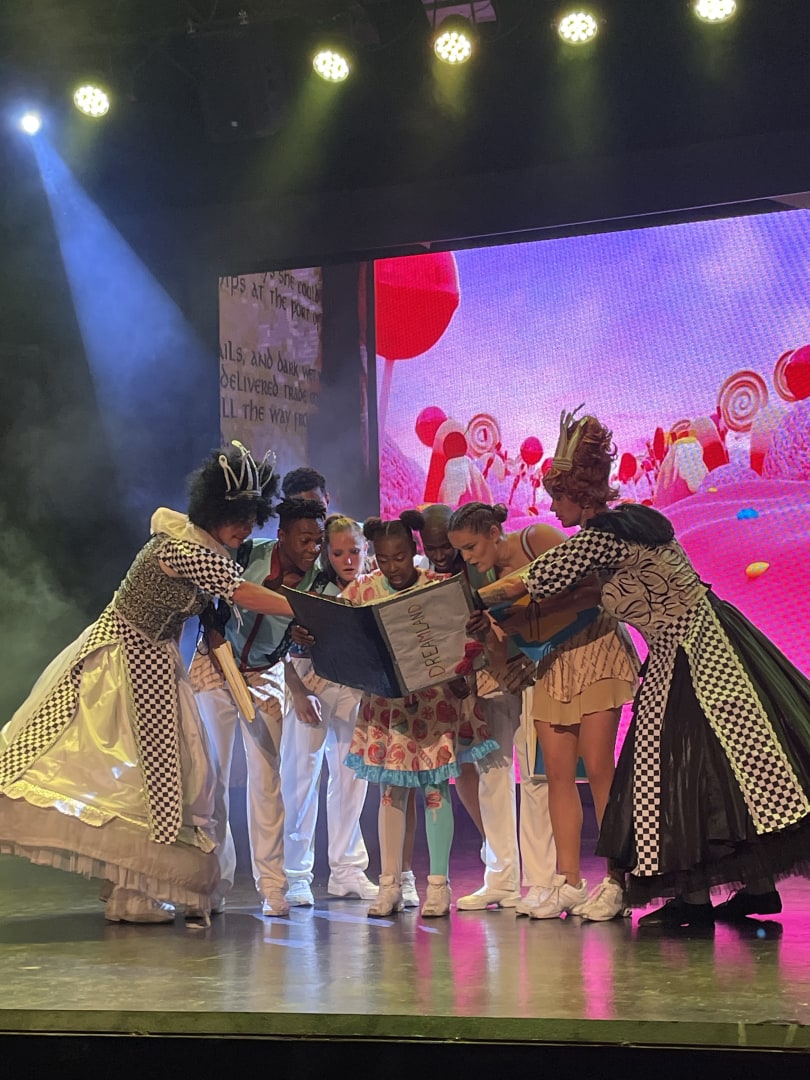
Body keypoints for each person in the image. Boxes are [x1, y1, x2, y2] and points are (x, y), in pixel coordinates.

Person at [475, 408, 810, 928]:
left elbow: (529, 580)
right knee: (712, 765)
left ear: (578, 496)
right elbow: (576, 594)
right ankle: (749, 887)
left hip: (695, 652)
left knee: (679, 767)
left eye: (558, 497)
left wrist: (470, 600)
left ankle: (697, 897)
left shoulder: (601, 537)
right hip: (698, 643)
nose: (553, 507)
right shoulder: (628, 525)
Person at [0, 442, 295, 925]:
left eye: (251, 518)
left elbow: (207, 611)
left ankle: (132, 891)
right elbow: (242, 592)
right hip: (126, 661)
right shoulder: (184, 548)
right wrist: (307, 610)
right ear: (214, 511)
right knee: (147, 778)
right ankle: (135, 894)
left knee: (168, 778)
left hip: (154, 661)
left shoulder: (199, 547)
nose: (246, 528)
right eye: (237, 517)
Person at [298, 512, 498, 918]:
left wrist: (466, 666)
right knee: (391, 791)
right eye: (385, 559)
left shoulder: (438, 588)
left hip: (434, 704)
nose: (393, 567)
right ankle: (389, 882)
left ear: (414, 551)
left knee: (435, 789)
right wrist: (311, 636)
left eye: (401, 557)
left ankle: (438, 885)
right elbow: (342, 639)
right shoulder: (362, 591)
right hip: (387, 708)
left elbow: (465, 642)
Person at [449, 502, 639, 920]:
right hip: (552, 662)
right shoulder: (485, 582)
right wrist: (490, 632)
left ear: (494, 532)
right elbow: (505, 654)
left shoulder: (536, 538)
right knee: (556, 773)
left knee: (599, 768)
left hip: (594, 647)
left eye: (471, 546)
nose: (468, 557)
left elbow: (594, 590)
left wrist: (527, 610)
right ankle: (569, 882)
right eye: (461, 550)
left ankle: (617, 880)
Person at [193, 496, 329, 917]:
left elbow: (307, 636)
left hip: (264, 672)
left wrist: (306, 637)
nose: (313, 549)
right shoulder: (247, 554)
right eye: (305, 540)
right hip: (215, 664)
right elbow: (205, 597)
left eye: (318, 541)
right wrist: (214, 634)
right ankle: (209, 885)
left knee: (267, 779)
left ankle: (272, 886)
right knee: (210, 776)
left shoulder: (318, 583)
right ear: (282, 535)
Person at [279, 513, 378, 905]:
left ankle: (347, 870)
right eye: (338, 553)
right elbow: (277, 643)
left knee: (352, 778)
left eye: (354, 551)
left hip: (354, 685)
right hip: (311, 682)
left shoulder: (372, 588)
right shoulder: (310, 587)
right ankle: (296, 874)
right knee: (301, 778)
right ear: (326, 554)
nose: (348, 560)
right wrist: (298, 691)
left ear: (365, 549)